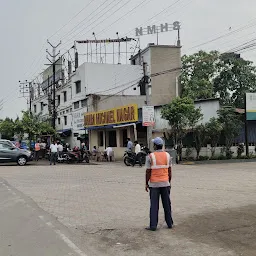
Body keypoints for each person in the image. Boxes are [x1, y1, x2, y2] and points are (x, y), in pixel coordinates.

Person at [145, 137, 173, 231]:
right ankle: (169, 223)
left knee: (154, 205)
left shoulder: (150, 156)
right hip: (165, 183)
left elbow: (148, 171)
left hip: (154, 184)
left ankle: (153, 225)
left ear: (155, 146)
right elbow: (169, 171)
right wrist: (169, 182)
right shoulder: (168, 155)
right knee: (167, 204)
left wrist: (146, 183)